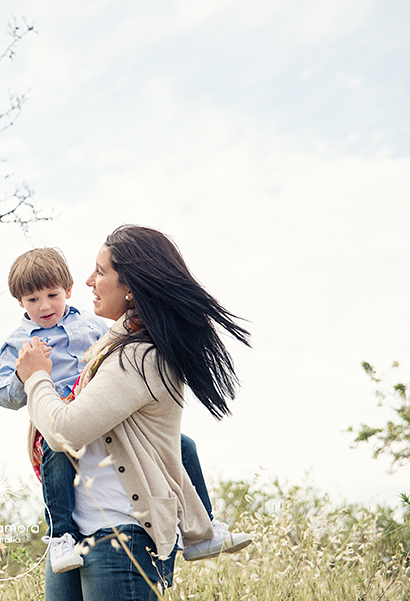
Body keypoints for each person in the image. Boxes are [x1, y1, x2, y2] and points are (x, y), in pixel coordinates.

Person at [15, 226, 251, 600]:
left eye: (101, 272)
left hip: (119, 536)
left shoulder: (139, 356)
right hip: (81, 535)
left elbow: (63, 433)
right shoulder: (108, 349)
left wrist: (36, 378)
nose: (89, 280)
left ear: (130, 287)